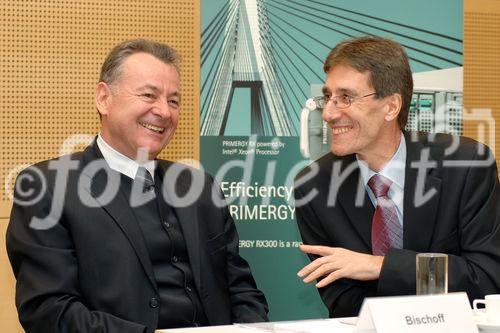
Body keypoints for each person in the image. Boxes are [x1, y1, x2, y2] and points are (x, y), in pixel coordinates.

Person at [6, 39, 268, 333]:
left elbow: (242, 290)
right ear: (104, 98)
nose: (164, 112)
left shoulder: (200, 187)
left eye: (174, 101)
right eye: (148, 95)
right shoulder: (48, 188)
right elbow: (50, 312)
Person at [294, 36, 500, 317]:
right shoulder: (314, 185)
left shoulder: (465, 165)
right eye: (328, 97)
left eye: (345, 98)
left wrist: (380, 267)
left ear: (391, 106)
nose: (328, 113)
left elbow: (486, 280)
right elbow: (344, 301)